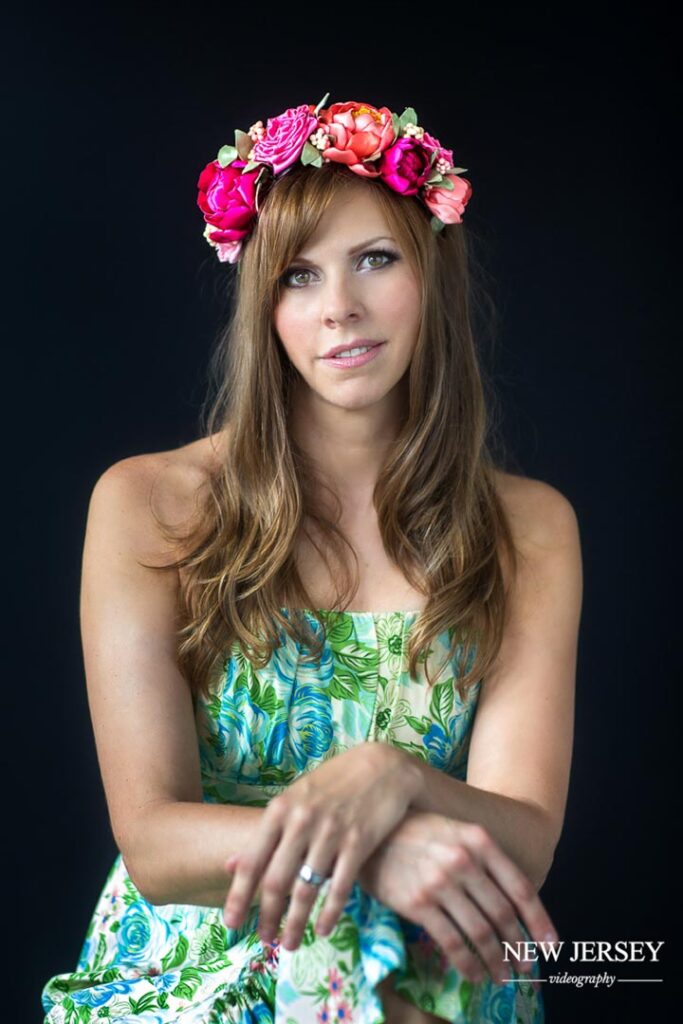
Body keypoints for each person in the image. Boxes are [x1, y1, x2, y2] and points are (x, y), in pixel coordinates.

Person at [41, 95, 582, 1024]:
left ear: (429, 274)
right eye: (297, 276)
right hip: (202, 959)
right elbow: (155, 841)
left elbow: (523, 841)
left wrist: (395, 775)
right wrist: (369, 851)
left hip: (427, 959)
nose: (340, 309)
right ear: (262, 302)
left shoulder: (528, 525)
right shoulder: (146, 504)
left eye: (375, 260)